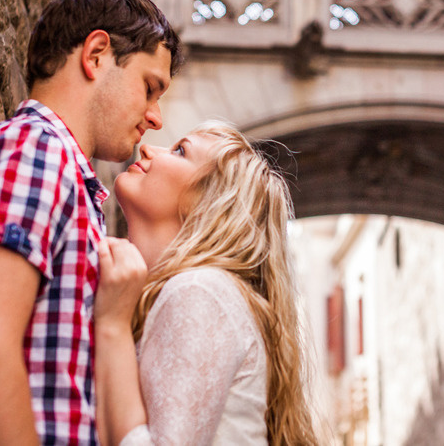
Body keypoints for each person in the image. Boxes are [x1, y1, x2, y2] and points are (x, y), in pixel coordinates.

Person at [0, 0, 183, 445]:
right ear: (97, 55)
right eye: (150, 88)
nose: (155, 117)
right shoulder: (37, 152)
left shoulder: (60, 171)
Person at [94, 122, 322, 445]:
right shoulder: (197, 293)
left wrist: (111, 327)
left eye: (180, 151)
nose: (147, 148)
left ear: (208, 204)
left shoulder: (200, 292)